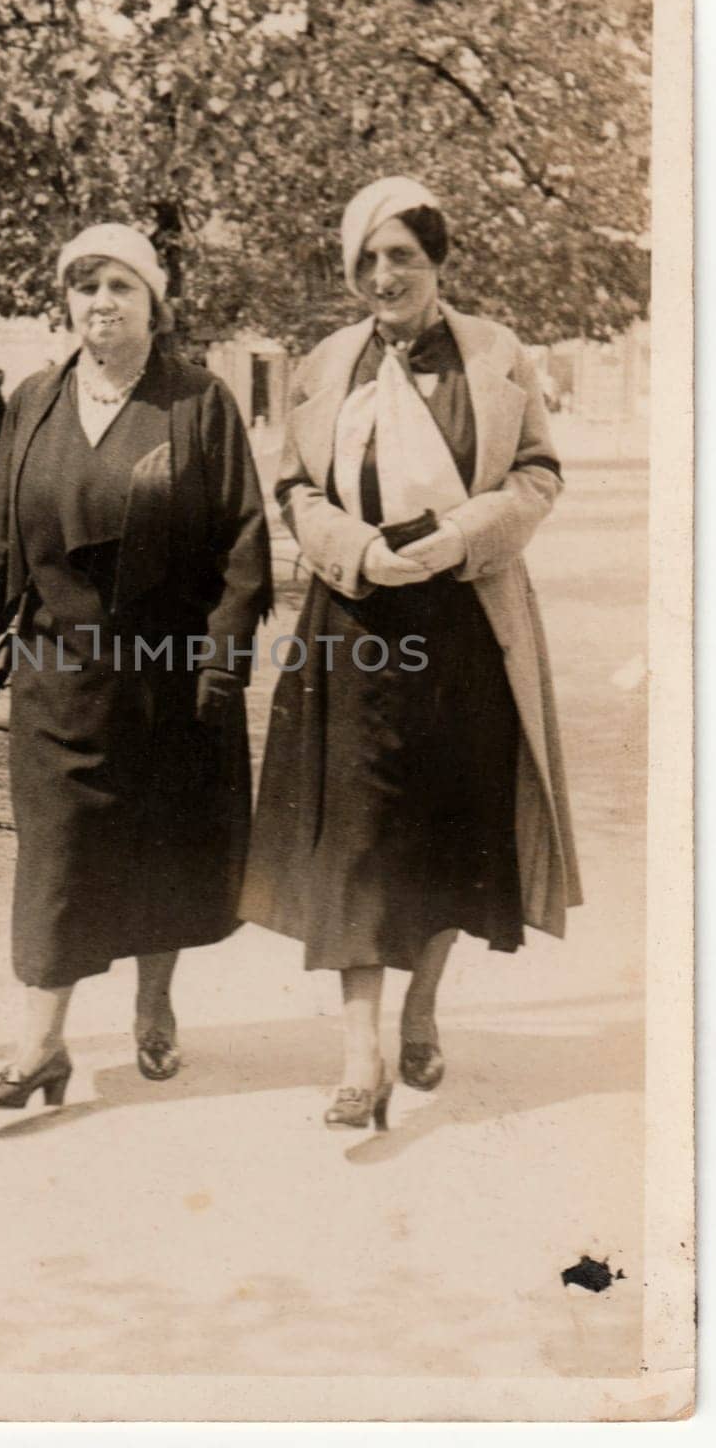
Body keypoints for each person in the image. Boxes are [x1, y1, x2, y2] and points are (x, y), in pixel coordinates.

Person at [242, 177, 581, 1130]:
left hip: (464, 621)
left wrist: (466, 534)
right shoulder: (326, 363)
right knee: (353, 838)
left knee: (446, 828)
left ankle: (422, 1009)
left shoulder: (496, 354)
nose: (384, 275)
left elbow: (540, 472)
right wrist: (353, 550)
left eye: (404, 256)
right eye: (368, 258)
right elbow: (296, 488)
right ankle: (360, 1058)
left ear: (437, 262)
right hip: (352, 623)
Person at [0, 223, 272, 1111]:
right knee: (55, 855)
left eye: (120, 288)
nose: (101, 304)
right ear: (67, 302)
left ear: (152, 303)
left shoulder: (198, 401)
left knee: (161, 843)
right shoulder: (33, 400)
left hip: (165, 672)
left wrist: (221, 664)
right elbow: (2, 531)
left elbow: (242, 543)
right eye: (85, 288)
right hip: (56, 667)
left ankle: (154, 999)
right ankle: (40, 1044)